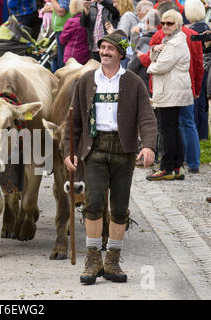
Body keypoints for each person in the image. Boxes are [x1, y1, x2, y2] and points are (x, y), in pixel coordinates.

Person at [62, 29, 157, 284]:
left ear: (120, 53)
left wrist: (148, 145)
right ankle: (93, 259)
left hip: (124, 149)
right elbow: (73, 122)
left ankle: (112, 260)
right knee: (93, 203)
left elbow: (147, 118)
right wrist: (68, 152)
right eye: (102, 48)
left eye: (110, 49)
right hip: (93, 148)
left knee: (119, 207)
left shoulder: (133, 83)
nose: (104, 52)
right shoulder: (85, 81)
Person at [146, 9, 194, 180]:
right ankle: (175, 166)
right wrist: (154, 50)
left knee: (167, 129)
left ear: (178, 25)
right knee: (173, 128)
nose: (165, 26)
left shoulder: (175, 43)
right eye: (163, 23)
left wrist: (150, 66)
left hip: (170, 91)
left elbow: (161, 66)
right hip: (172, 90)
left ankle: (167, 167)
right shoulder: (170, 40)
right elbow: (157, 59)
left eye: (170, 23)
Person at [185, 0, 211, 141]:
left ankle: (194, 135)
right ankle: (202, 135)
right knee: (202, 104)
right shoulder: (206, 27)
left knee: (194, 103)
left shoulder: (192, 31)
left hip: (197, 69)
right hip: (207, 69)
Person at [59, 0, 90, 65]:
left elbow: (62, 39)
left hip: (73, 55)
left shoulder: (72, 21)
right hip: (86, 54)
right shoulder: (90, 19)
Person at [50, 0, 72, 72]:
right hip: (62, 29)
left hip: (64, 29)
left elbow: (61, 11)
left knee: (63, 60)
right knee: (60, 57)